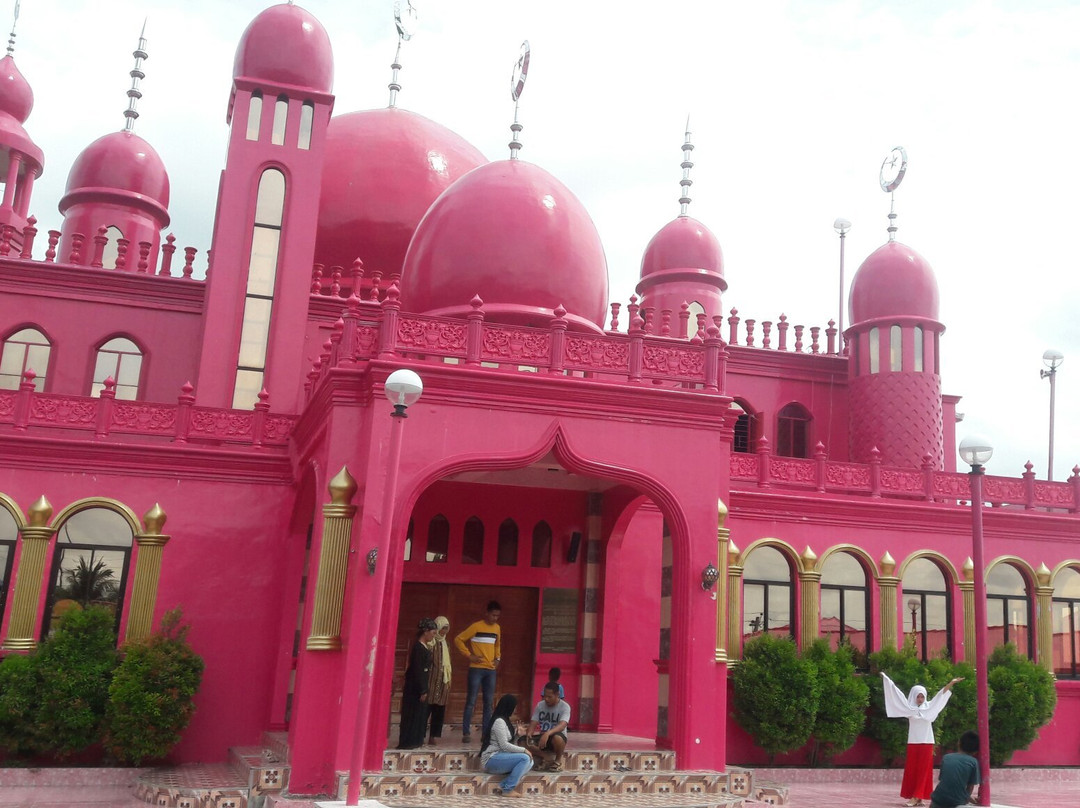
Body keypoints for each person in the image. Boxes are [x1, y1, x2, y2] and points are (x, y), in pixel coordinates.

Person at [881, 672, 964, 807]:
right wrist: (886, 678)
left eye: (922, 696)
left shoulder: (929, 707)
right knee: (912, 770)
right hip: (913, 742)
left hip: (927, 742)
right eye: (918, 696)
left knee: (924, 770)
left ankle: (917, 796)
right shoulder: (908, 709)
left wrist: (951, 683)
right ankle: (916, 797)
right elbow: (897, 694)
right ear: (914, 697)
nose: (920, 699)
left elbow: (940, 695)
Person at [454, 600, 502, 743]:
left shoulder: (497, 628)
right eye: (493, 615)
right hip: (476, 669)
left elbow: (498, 645)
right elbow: (458, 639)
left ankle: (485, 733)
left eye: (497, 616)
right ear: (486, 613)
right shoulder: (476, 626)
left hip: (490, 670)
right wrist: (470, 655)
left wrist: (498, 659)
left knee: (488, 702)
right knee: (471, 700)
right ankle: (466, 732)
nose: (495, 618)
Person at [481, 694, 535, 798]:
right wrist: (524, 750)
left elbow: (507, 744)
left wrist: (517, 735)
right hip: (491, 759)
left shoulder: (505, 721)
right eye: (514, 706)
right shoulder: (499, 722)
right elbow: (504, 745)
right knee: (525, 758)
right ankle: (508, 789)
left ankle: (503, 785)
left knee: (530, 761)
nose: (514, 709)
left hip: (501, 756)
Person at [397, 618, 437, 750]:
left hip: (420, 684)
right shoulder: (418, 648)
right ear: (425, 632)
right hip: (415, 687)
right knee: (412, 714)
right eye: (433, 632)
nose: (434, 635)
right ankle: (409, 741)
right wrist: (423, 690)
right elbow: (418, 670)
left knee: (419, 714)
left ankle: (417, 740)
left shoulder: (424, 647)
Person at [527, 681, 571, 772]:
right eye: (545, 696)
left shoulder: (565, 707)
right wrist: (529, 733)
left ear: (557, 695)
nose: (546, 699)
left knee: (557, 738)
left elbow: (562, 725)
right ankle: (546, 757)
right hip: (542, 739)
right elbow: (534, 722)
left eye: (549, 697)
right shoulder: (540, 705)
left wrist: (548, 733)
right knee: (522, 742)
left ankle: (557, 761)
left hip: (556, 738)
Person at [930, 731, 981, 808]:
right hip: (957, 801)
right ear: (976, 751)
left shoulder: (946, 758)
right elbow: (970, 787)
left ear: (959, 743)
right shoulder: (973, 762)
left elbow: (945, 781)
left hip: (938, 798)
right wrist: (969, 800)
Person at [426, 616, 452, 746]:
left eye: (446, 629)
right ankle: (420, 734)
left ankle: (433, 736)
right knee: (426, 708)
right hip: (431, 680)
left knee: (438, 710)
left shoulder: (445, 643)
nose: (444, 632)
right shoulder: (430, 642)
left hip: (442, 681)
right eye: (442, 629)